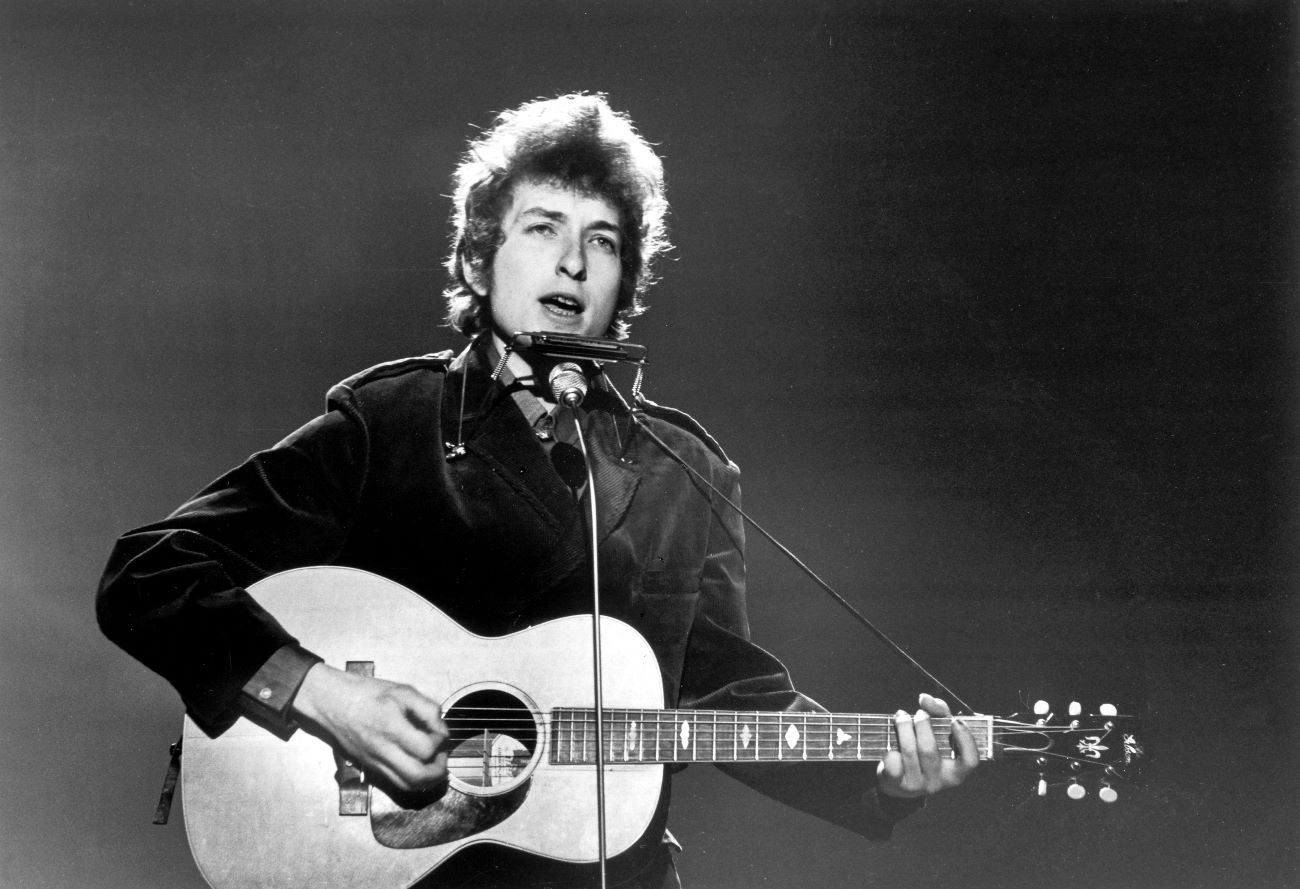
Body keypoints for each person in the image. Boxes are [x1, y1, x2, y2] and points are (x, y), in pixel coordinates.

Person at [97, 93, 976, 888]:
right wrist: (326, 693)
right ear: (480, 263)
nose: (574, 262)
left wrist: (883, 777)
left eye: (602, 240)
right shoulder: (393, 421)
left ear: (625, 283)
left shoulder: (687, 471)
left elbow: (730, 700)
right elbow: (148, 574)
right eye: (542, 228)